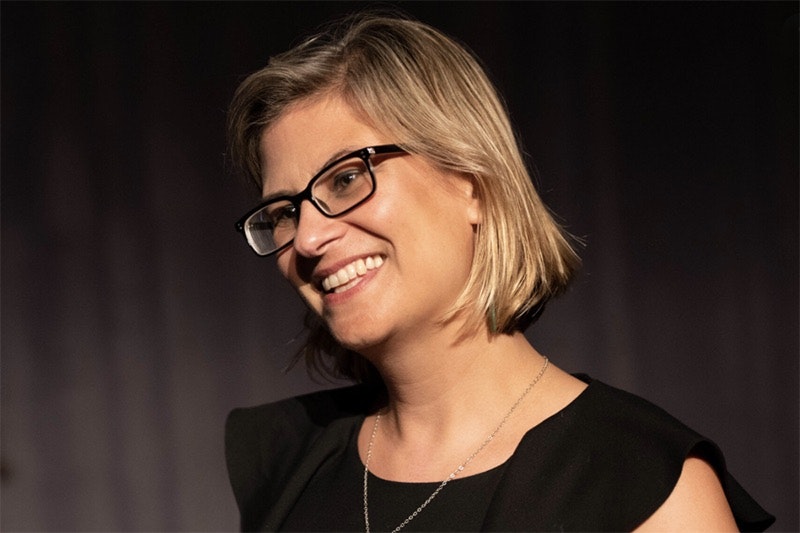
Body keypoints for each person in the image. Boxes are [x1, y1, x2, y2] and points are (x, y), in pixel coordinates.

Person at [224, 13, 774, 532]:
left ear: (472, 182)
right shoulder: (287, 461)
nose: (311, 239)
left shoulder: (644, 485)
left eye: (345, 178)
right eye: (285, 213)